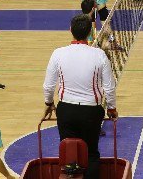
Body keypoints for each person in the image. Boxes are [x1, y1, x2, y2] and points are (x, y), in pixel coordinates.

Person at [42, 14, 118, 179]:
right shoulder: (99, 55)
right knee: (90, 153)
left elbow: (48, 85)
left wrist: (49, 103)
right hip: (91, 112)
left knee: (69, 152)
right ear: (90, 32)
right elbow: (109, 87)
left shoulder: (58, 53)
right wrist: (111, 107)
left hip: (66, 111)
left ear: (70, 30)